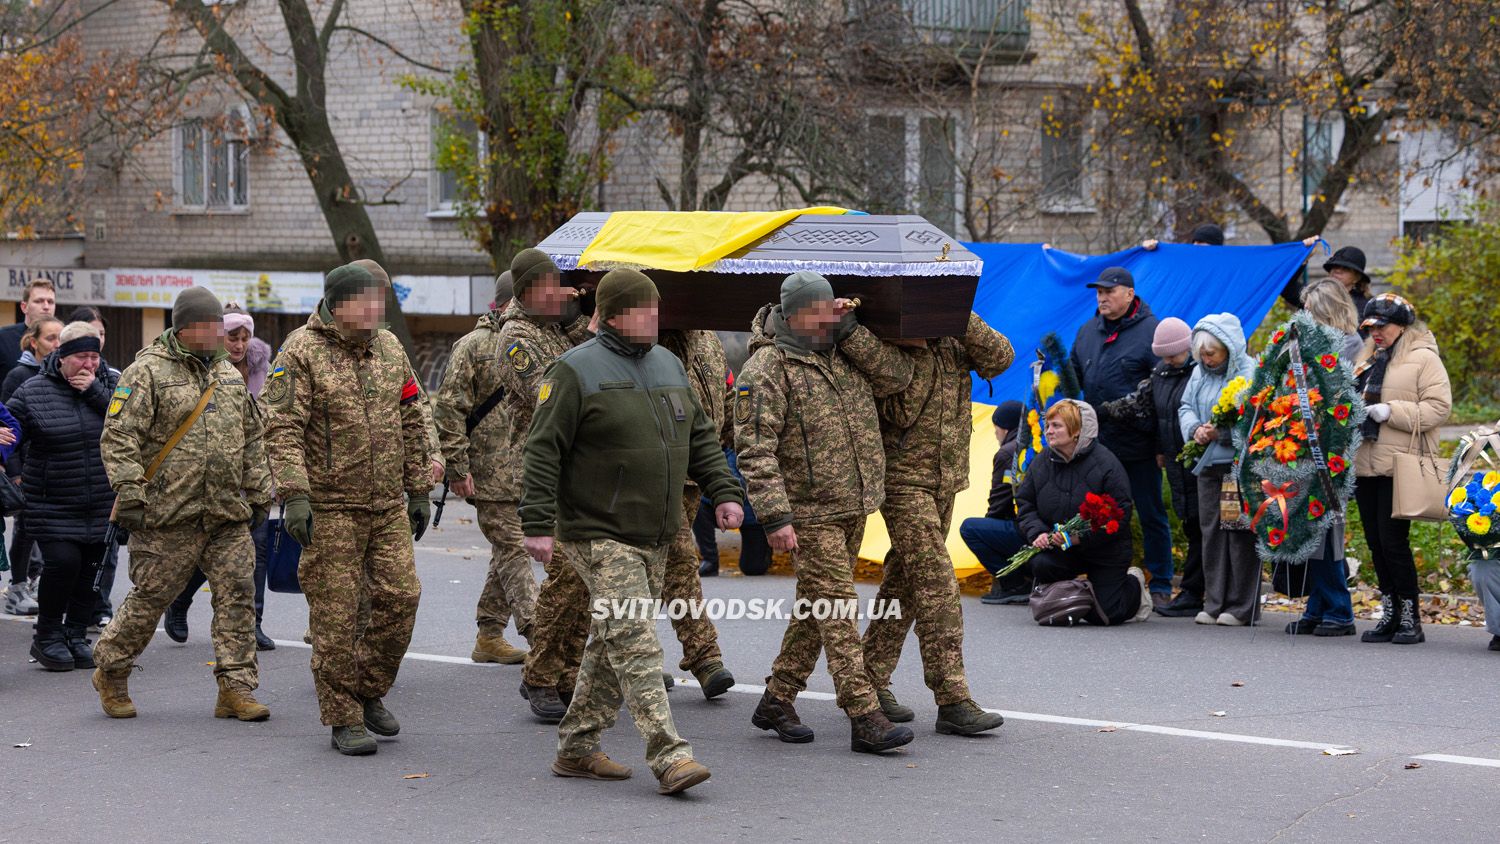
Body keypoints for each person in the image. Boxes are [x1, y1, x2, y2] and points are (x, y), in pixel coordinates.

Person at [519, 268, 742, 795]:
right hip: (598, 531)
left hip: (659, 531)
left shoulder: (667, 363)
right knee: (639, 642)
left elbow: (701, 435)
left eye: (656, 311)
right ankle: (670, 756)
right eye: (643, 311)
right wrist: (537, 525)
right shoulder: (574, 370)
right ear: (613, 314)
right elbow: (542, 450)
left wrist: (726, 491)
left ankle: (575, 749)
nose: (654, 320)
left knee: (609, 639)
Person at [736, 271, 916, 753]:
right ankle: (863, 714)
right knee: (837, 608)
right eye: (820, 313)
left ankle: (777, 697)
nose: (828, 321)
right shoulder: (767, 369)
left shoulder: (843, 353)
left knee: (815, 609)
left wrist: (852, 331)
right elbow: (755, 450)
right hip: (807, 512)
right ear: (794, 315)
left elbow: (899, 377)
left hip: (853, 504)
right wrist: (775, 517)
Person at [262, 263, 432, 755]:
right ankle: (343, 716)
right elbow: (283, 428)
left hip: (386, 506)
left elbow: (412, 415)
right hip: (331, 507)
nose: (377, 311)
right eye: (367, 302)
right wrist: (294, 495)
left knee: (402, 598)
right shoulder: (299, 352)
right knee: (335, 617)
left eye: (380, 302)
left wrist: (417, 487)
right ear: (338, 305)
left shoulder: (390, 347)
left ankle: (368, 688)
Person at [92, 288, 274, 720]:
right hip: (169, 513)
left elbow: (250, 437)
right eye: (213, 327)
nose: (222, 334)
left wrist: (260, 489)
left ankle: (235, 688)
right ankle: (111, 670)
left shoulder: (228, 376)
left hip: (227, 513)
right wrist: (130, 492)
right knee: (152, 596)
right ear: (189, 327)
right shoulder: (147, 372)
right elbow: (119, 437)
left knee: (237, 593)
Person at [860, 312, 1013, 734]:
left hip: (944, 477)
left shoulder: (954, 328)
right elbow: (895, 400)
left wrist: (957, 313)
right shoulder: (891, 330)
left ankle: (869, 678)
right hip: (902, 477)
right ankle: (952, 697)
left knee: (904, 582)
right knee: (936, 580)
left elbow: (1001, 357)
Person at [500, 248, 596, 722]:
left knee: (584, 582)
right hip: (549, 470)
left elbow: (590, 357)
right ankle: (540, 675)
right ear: (525, 292)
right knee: (567, 581)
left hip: (582, 468)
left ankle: (568, 672)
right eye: (550, 288)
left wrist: (579, 320)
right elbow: (551, 395)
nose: (559, 294)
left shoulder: (559, 329)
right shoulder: (515, 338)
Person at [433, 269, 539, 666]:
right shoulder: (474, 346)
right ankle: (542, 635)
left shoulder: (539, 342)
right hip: (489, 476)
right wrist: (457, 468)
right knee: (515, 552)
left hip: (528, 475)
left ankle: (489, 634)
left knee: (506, 554)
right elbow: (449, 409)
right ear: (511, 301)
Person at [162, 303, 278, 651]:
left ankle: (253, 624)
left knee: (255, 551)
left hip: (253, 474)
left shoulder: (262, 370)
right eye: (232, 337)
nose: (239, 345)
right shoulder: (205, 369)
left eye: (244, 338)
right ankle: (180, 602)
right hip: (212, 476)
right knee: (209, 550)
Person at [5, 322, 114, 669]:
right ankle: (47, 636)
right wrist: (14, 472)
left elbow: (128, 424)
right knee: (64, 563)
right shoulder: (33, 390)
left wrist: (94, 391)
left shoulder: (109, 384)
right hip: (51, 501)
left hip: (100, 499)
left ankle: (75, 633)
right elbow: (11, 434)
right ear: (61, 356)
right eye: (81, 356)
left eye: (94, 357)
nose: (89, 364)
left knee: (91, 568)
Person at [1353, 293, 1451, 645]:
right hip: (1366, 462)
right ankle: (1390, 613)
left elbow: (1439, 408)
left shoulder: (1423, 358)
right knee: (1376, 544)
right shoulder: (1367, 358)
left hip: (1401, 464)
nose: (1376, 333)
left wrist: (1392, 411)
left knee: (1394, 543)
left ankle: (1411, 617)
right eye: (1371, 327)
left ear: (1402, 325)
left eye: (1383, 326)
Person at [1071, 267, 1172, 607]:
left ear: (1130, 294)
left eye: (1109, 291)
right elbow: (1073, 377)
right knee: (1098, 514)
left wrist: (1160, 445)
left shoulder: (1151, 332)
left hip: (1139, 444)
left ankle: (1160, 582)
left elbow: (1161, 391)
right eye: (1098, 292)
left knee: (1150, 512)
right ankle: (1103, 577)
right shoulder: (1087, 332)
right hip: (1098, 445)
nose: (1102, 297)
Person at [1101, 317, 1205, 616]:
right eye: (1163, 355)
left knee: (1200, 523)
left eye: (1173, 354)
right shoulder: (1160, 373)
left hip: (1199, 458)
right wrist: (1104, 411)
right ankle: (1193, 590)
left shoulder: (1199, 373)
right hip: (1174, 459)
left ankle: (1193, 590)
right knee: (1189, 521)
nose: (1168, 360)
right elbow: (1145, 408)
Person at [1017, 400, 1149, 626]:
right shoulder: (1041, 462)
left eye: (1056, 426)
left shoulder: (1106, 463)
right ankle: (1068, 595)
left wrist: (1080, 538)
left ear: (1077, 430)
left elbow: (1120, 514)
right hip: (1061, 548)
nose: (1049, 431)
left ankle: (1134, 585)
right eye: (1047, 426)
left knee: (1107, 614)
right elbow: (1025, 503)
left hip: (1105, 550)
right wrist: (1037, 532)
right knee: (1041, 566)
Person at [658, 328, 738, 698]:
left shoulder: (707, 338)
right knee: (679, 563)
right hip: (661, 471)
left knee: (655, 572)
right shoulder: (655, 334)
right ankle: (705, 656)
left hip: (698, 472)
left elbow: (722, 397)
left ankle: (626, 658)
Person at [1283, 279, 1365, 637]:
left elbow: (1340, 394)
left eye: (1309, 309)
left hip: (1331, 449)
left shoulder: (1351, 346)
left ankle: (1339, 608)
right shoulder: (1306, 344)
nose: (1303, 315)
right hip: (1303, 446)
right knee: (1309, 531)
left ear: (1326, 310)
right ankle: (1318, 606)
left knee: (1326, 531)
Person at [1178, 313, 1259, 626]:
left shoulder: (1249, 373)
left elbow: (1254, 419)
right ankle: (1214, 602)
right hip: (1206, 464)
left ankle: (1241, 606)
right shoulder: (1199, 373)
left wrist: (1221, 434)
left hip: (1234, 467)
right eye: (1201, 353)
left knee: (1237, 531)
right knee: (1210, 531)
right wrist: (1195, 428)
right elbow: (1185, 407)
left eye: (1211, 353)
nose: (1205, 359)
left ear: (1229, 348)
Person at [2, 315, 62, 616]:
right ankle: (17, 587)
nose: (57, 344)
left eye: (61, 338)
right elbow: (7, 426)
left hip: (55, 467)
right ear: (33, 341)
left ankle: (38, 582)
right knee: (25, 529)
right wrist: (13, 470)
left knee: (49, 529)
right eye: (51, 338)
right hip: (25, 468)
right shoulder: (19, 375)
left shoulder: (64, 375)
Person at [960, 401, 1028, 605]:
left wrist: (990, 536)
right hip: (1052, 531)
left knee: (970, 528)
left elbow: (1000, 500)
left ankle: (1013, 583)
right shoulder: (1037, 442)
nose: (995, 433)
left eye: (995, 427)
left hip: (1029, 531)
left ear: (1004, 427)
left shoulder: (1007, 453)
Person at [694, 446, 771, 577]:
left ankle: (766, 550)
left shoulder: (759, 452)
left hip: (753, 517)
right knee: (698, 506)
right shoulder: (718, 452)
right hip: (722, 508)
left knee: (753, 568)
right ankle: (709, 559)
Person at [0, 279, 58, 381]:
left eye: (50, 302)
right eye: (39, 301)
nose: (46, 307)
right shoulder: (3, 338)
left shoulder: (64, 340)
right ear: (24, 307)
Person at [1321, 247, 1374, 332]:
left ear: (1357, 278)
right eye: (1335, 266)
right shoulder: (1316, 296)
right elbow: (1292, 289)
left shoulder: (1368, 307)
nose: (1337, 270)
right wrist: (1304, 258)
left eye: (1346, 268)